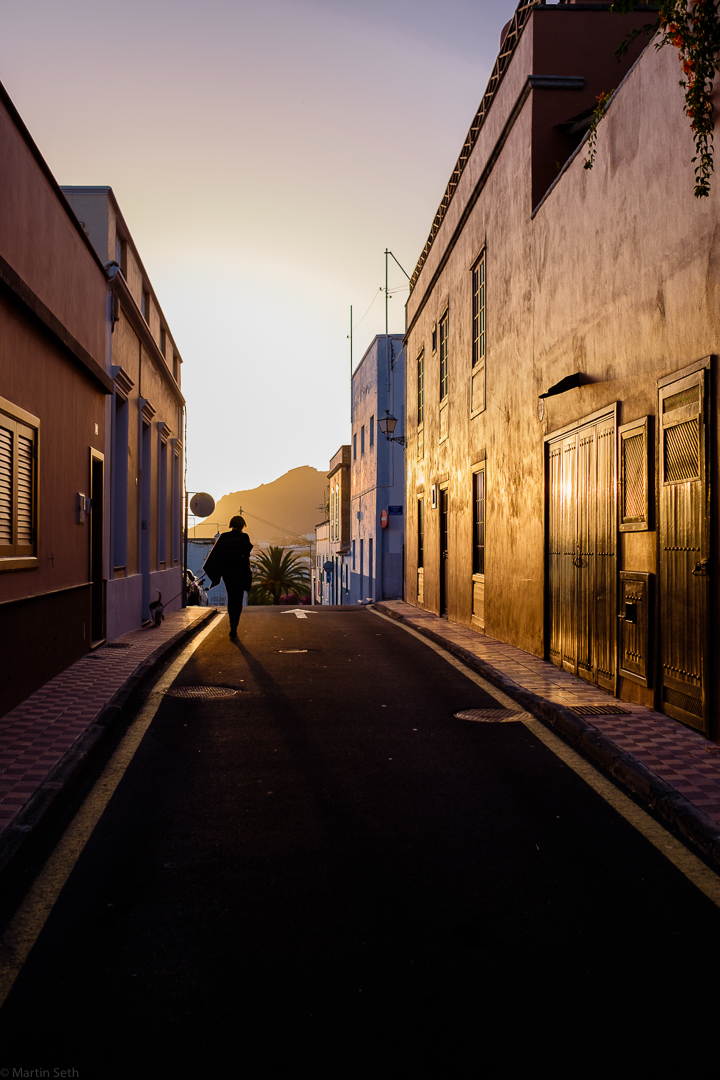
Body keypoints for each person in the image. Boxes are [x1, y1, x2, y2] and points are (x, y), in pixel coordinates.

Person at [203, 515, 253, 639]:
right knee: (238, 598)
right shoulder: (244, 538)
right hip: (240, 573)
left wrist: (216, 570)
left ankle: (232, 626)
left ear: (231, 524)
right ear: (242, 525)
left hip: (228, 573)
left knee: (231, 598)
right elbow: (246, 557)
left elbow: (216, 555)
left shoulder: (224, 537)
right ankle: (235, 625)